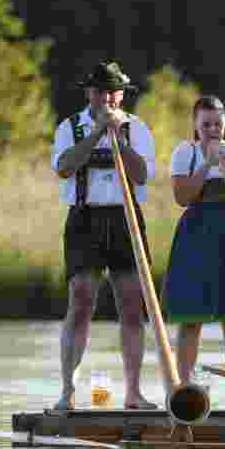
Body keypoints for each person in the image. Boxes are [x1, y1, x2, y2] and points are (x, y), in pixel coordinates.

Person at [51, 61, 157, 410]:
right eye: (100, 91)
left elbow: (142, 174)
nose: (107, 99)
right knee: (80, 300)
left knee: (131, 304)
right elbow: (64, 166)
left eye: (113, 92)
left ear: (121, 94)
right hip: (85, 218)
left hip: (125, 218)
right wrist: (97, 133)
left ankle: (133, 393)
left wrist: (118, 140)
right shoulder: (70, 127)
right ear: (89, 94)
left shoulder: (137, 128)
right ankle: (68, 391)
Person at [164, 96, 225, 409]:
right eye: (205, 124)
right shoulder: (186, 152)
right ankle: (185, 388)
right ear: (196, 125)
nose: (212, 129)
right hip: (197, 233)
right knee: (191, 318)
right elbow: (182, 196)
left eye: (217, 123)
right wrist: (207, 164)